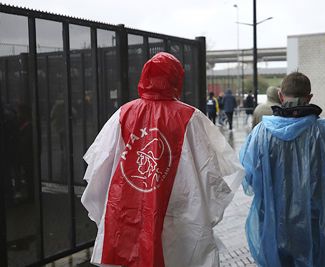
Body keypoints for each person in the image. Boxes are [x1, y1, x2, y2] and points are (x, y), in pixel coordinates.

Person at [81, 52, 244, 267]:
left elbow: (98, 169)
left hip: (126, 221)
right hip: (180, 223)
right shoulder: (191, 118)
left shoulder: (123, 114)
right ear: (177, 80)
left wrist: (106, 209)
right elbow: (212, 173)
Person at [240, 72, 325, 266]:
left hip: (273, 221)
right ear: (310, 97)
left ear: (280, 96)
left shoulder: (261, 133)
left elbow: (249, 179)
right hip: (316, 221)